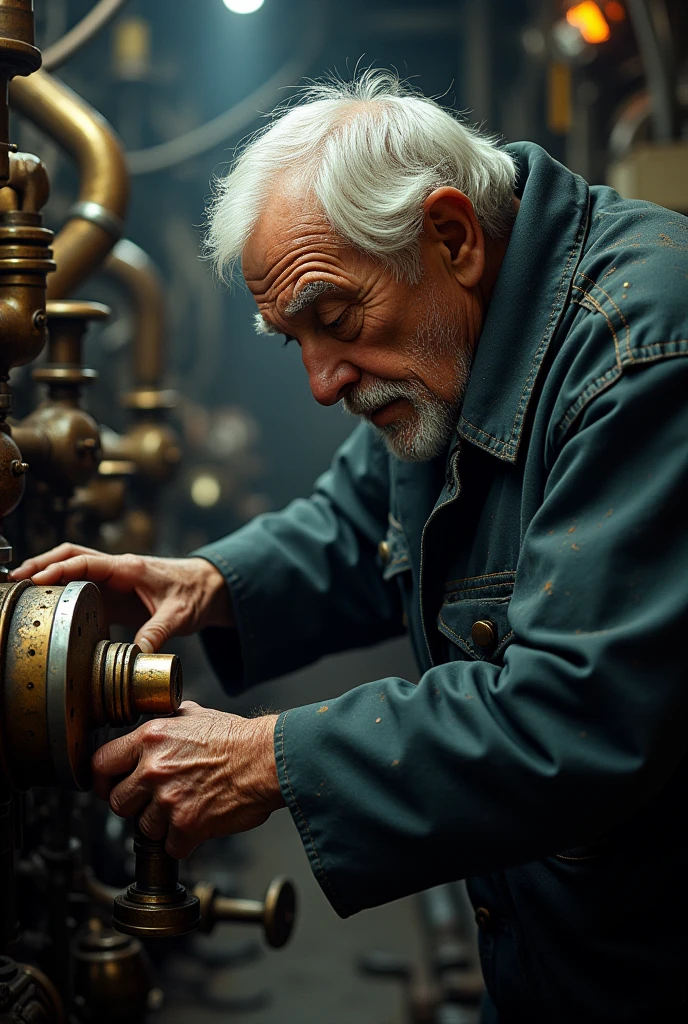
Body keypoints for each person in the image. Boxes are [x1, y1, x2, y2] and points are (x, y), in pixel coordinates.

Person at [12, 72, 688, 1023]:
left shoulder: (644, 356)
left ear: (450, 237)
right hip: (557, 939)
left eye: (333, 320)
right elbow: (362, 521)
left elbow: (577, 714)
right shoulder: (459, 337)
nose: (324, 383)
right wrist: (207, 581)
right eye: (295, 340)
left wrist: (269, 757)